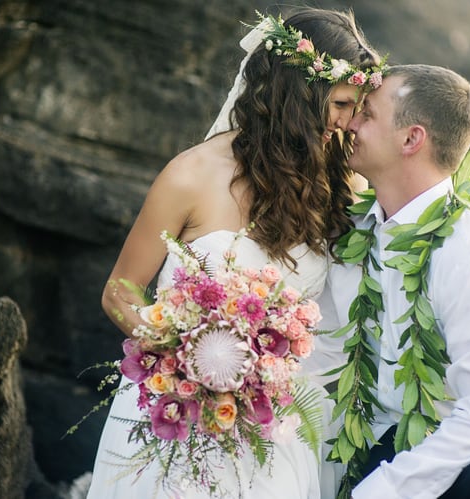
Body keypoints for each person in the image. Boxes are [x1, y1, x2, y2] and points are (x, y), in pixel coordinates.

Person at [86, 7, 384, 499]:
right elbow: (120, 292)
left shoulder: (342, 187)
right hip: (175, 410)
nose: (349, 122)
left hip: (279, 427)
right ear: (298, 92)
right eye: (341, 103)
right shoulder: (189, 175)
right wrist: (188, 358)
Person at [321, 64, 470, 498]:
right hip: (374, 443)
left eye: (366, 114)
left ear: (412, 139)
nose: (349, 123)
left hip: (458, 460)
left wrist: (382, 490)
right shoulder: (353, 229)